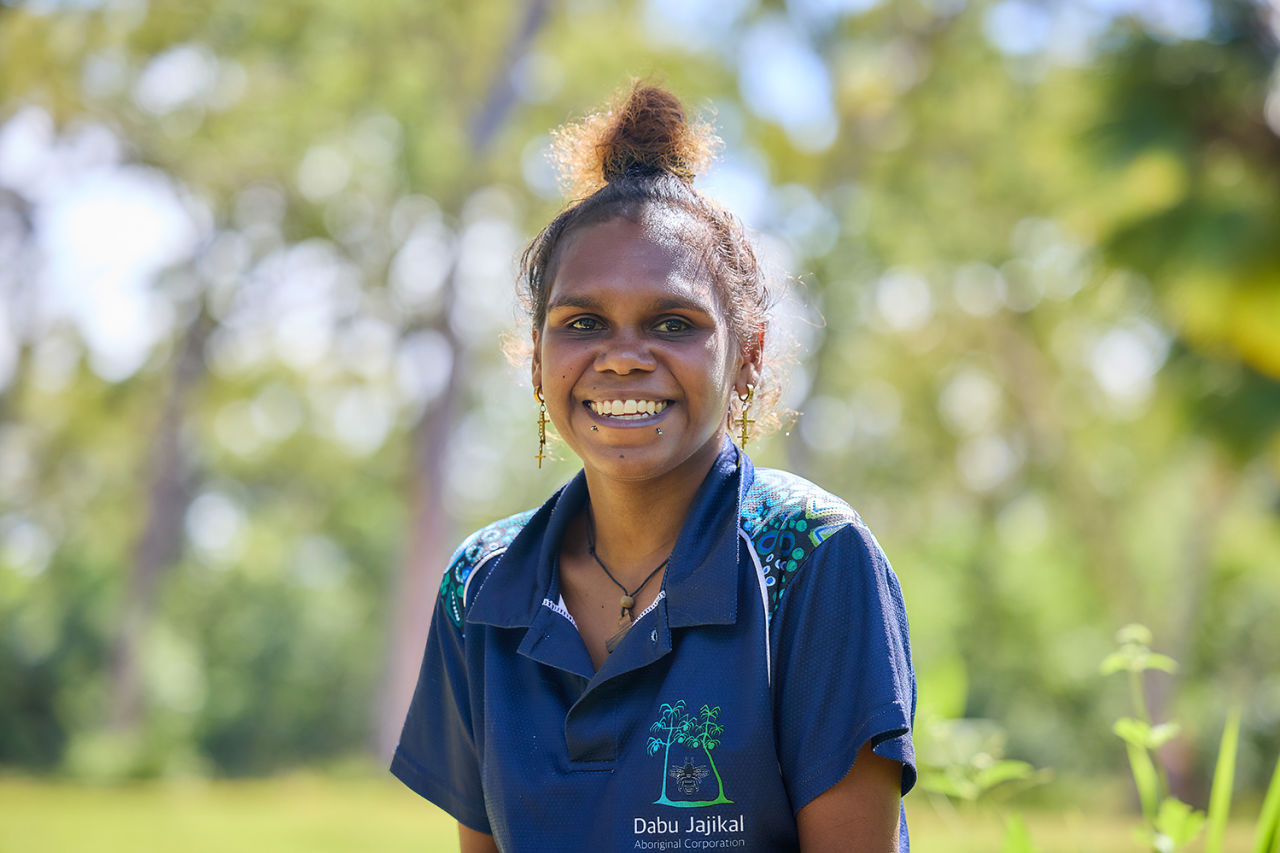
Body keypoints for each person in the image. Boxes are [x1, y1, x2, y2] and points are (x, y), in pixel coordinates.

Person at [391, 84, 916, 852]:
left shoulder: (812, 559)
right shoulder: (481, 585)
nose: (625, 357)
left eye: (673, 323)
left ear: (749, 357)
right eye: (583, 323)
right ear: (537, 362)